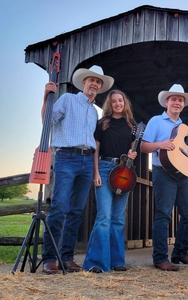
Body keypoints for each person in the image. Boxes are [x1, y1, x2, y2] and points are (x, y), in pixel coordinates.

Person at [42, 65, 114, 274]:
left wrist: (94, 170)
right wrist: (46, 96)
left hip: (85, 163)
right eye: (91, 80)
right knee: (59, 208)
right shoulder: (68, 100)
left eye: (98, 82)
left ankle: (67, 257)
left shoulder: (94, 112)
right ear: (84, 82)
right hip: (66, 158)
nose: (94, 84)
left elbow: (93, 142)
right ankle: (49, 258)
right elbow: (48, 120)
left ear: (100, 88)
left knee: (76, 212)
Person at [140, 84, 188, 271]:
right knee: (164, 214)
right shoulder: (156, 121)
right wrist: (161, 144)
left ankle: (180, 253)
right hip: (163, 172)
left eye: (180, 100)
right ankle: (160, 258)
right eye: (173, 99)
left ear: (184, 105)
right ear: (166, 101)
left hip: (182, 174)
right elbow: (144, 146)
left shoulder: (185, 128)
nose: (177, 102)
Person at [83, 89, 137, 273]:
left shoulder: (131, 126)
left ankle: (117, 261)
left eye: (120, 100)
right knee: (104, 217)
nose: (117, 104)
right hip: (105, 169)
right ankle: (96, 263)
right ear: (110, 104)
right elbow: (95, 150)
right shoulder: (102, 124)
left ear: (124, 102)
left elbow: (132, 152)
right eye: (114, 101)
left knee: (118, 219)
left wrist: (133, 155)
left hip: (124, 171)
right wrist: (95, 173)